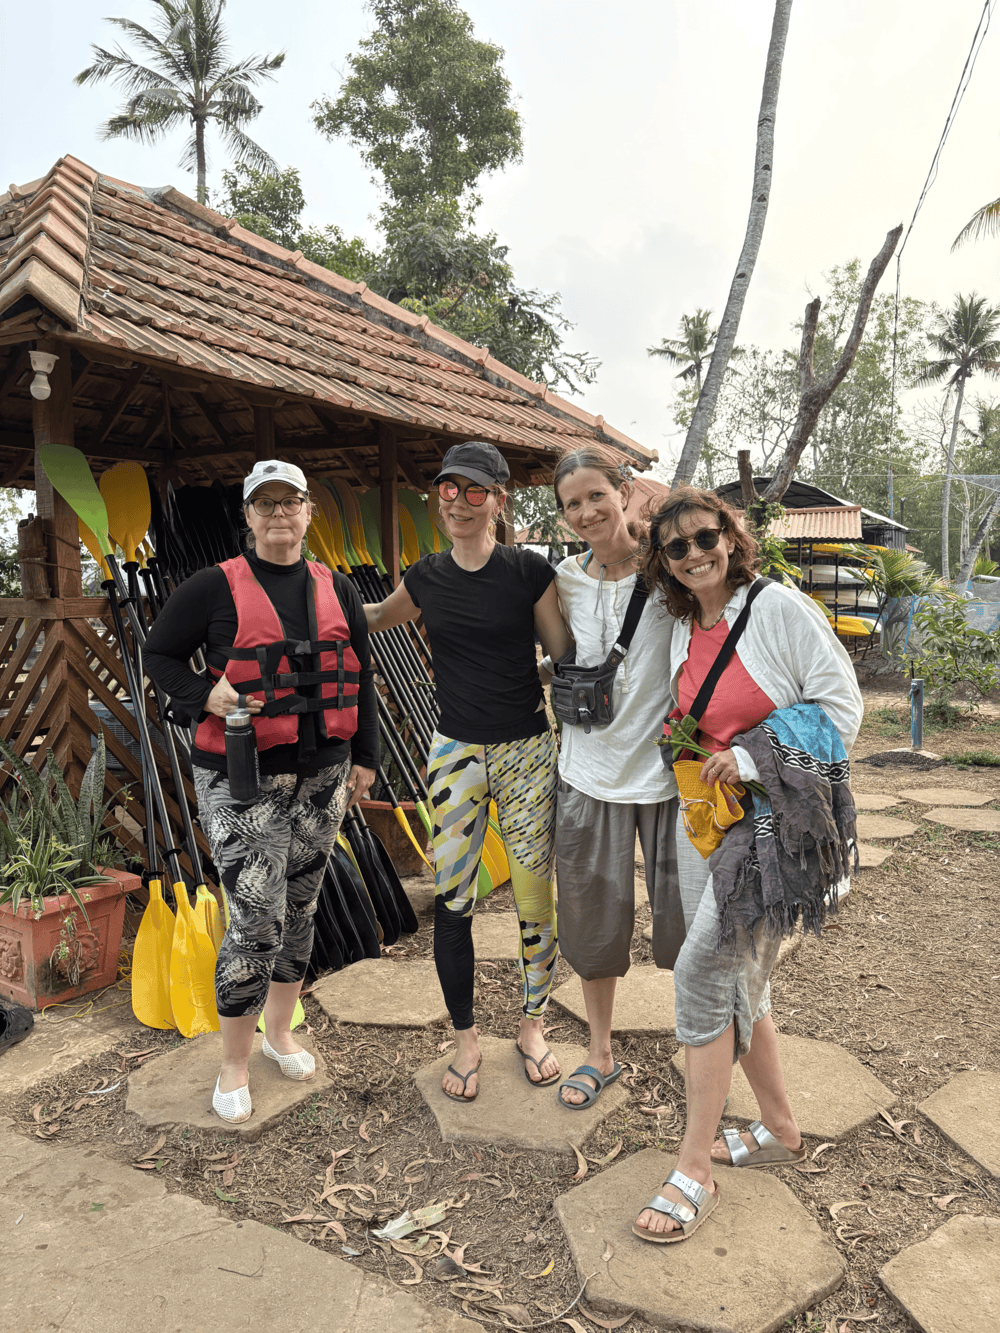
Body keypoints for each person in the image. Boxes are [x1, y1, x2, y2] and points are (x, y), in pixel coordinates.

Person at [631, 486, 862, 1243]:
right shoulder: (681, 624)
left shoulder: (779, 609)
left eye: (708, 537)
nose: (697, 553)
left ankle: (692, 1165)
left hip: (772, 829)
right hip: (707, 823)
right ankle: (781, 1128)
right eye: (678, 546)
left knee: (702, 971)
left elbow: (841, 708)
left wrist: (749, 755)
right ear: (663, 563)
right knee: (744, 982)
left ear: (731, 537)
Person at [144, 460, 377, 1124]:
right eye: (265, 503)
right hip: (243, 778)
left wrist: (365, 758)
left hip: (324, 775)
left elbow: (358, 680)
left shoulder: (341, 589)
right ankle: (234, 1062)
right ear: (247, 516)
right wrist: (203, 693)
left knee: (300, 909)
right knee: (254, 918)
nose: (279, 513)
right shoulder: (211, 587)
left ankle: (279, 1034)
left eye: (291, 501)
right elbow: (158, 654)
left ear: (309, 512)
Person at [364, 440, 572, 1103]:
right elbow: (370, 619)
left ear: (499, 500)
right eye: (449, 491)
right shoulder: (425, 577)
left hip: (526, 750)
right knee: (453, 899)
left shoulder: (528, 572)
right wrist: (306, 600)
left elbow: (563, 653)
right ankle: (466, 1038)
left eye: (474, 491)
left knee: (535, 898)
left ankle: (532, 1026)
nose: (458, 503)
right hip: (454, 751)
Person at [547, 447, 682, 1110]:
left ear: (623, 491)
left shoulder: (670, 572)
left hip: (664, 779)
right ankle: (599, 1052)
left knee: (689, 922)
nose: (587, 512)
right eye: (573, 503)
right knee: (592, 922)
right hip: (587, 775)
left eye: (596, 495)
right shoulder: (561, 581)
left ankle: (705, 1044)